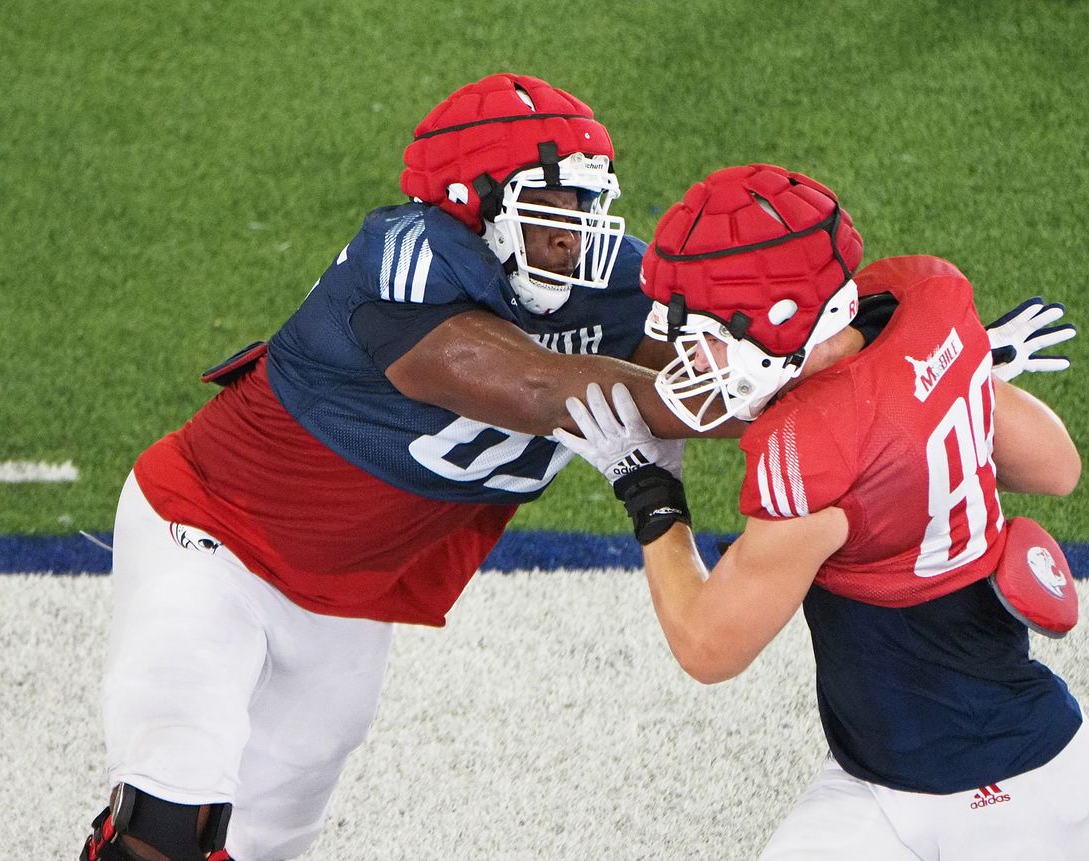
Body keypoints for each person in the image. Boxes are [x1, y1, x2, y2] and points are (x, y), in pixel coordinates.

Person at [79, 72, 712, 861]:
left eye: (585, 204)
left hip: (352, 589)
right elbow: (540, 385)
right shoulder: (405, 262)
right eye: (550, 203)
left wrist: (800, 346)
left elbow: (721, 347)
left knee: (265, 841)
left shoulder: (604, 280)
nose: (573, 232)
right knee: (169, 817)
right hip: (211, 534)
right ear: (471, 202)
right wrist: (737, 395)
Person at [556, 163, 1089, 860]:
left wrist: (647, 486)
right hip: (904, 775)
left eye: (708, 335)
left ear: (783, 319)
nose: (692, 358)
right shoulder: (922, 307)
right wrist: (966, 371)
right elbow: (1056, 467)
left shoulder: (815, 451)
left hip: (1001, 802)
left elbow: (707, 646)